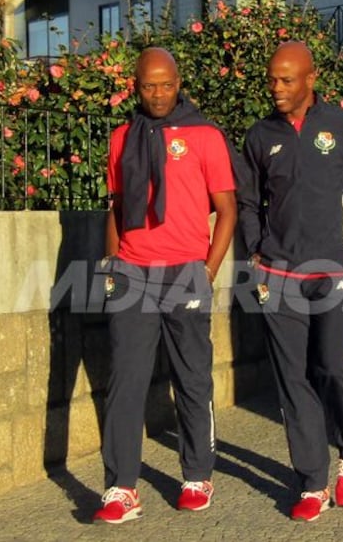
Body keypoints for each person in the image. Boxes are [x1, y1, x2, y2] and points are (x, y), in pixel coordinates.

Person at [239, 41, 343, 522]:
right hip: (279, 272)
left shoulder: (342, 126)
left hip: (337, 269)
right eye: (272, 80)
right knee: (293, 378)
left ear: (310, 79)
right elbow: (247, 198)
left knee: (333, 365)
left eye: (286, 80)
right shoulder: (260, 135)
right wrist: (255, 248)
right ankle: (311, 480)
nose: (277, 88)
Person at [93, 47, 238, 523]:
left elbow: (227, 208)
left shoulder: (205, 135)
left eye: (166, 84)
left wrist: (209, 269)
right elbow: (117, 205)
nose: (158, 94)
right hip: (132, 273)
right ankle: (120, 488)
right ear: (136, 86)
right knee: (125, 382)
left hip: (185, 271)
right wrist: (113, 262)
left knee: (192, 377)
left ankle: (197, 474)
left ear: (179, 84)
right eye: (148, 86)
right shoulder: (121, 137)